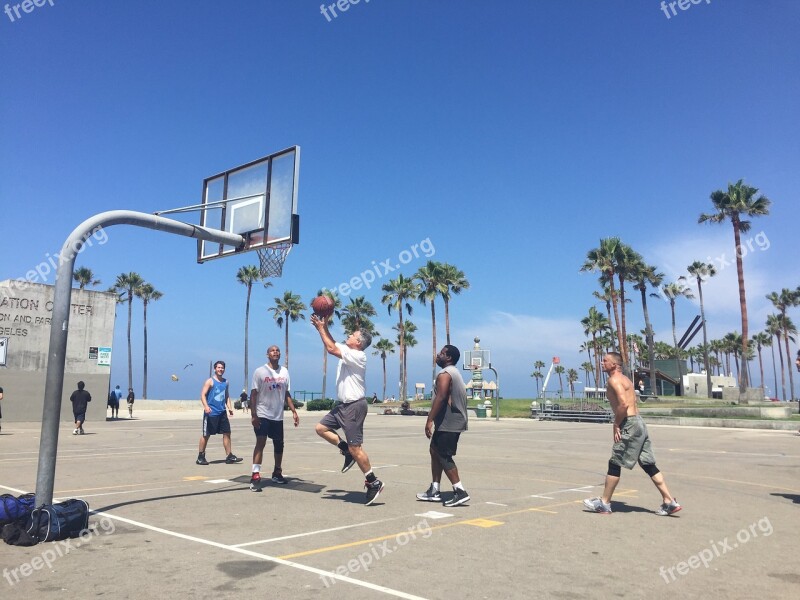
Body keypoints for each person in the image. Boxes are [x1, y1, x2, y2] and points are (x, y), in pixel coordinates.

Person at [583, 352, 681, 516]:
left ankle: (605, 503)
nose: (602, 363)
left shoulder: (614, 380)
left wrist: (616, 424)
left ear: (614, 364)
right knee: (648, 464)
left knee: (615, 462)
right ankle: (669, 501)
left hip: (629, 423)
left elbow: (623, 403)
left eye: (605, 361)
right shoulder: (626, 379)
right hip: (638, 422)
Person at [310, 314, 383, 506]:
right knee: (320, 428)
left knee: (356, 447)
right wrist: (324, 326)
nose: (348, 335)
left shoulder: (358, 355)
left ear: (358, 342)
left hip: (354, 407)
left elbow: (331, 347)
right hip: (342, 406)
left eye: (352, 334)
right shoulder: (348, 350)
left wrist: (319, 329)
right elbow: (333, 343)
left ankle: (373, 482)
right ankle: (345, 451)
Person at [417, 345, 470, 507]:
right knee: (434, 450)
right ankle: (435, 489)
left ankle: (460, 491)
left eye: (441, 353)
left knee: (443, 455)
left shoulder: (445, 374)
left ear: (448, 358)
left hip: (450, 422)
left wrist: (429, 420)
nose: (438, 355)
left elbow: (441, 396)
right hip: (448, 421)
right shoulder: (453, 372)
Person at [248, 345, 299, 492]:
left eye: (277, 350)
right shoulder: (260, 371)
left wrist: (294, 411)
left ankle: (277, 472)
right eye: (272, 350)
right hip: (262, 414)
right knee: (261, 442)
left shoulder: (284, 371)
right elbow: (253, 394)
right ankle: (255, 474)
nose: (275, 352)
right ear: (267, 354)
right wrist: (253, 415)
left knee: (279, 445)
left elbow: (286, 394)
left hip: (278, 415)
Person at [196, 361, 242, 465]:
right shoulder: (210, 381)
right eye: (218, 367)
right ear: (215, 369)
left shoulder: (226, 382)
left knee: (227, 433)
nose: (220, 369)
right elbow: (203, 395)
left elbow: (226, 396)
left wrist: (230, 408)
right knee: (206, 434)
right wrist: (206, 406)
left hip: (222, 413)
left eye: (222, 368)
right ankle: (200, 456)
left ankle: (229, 455)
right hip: (211, 413)